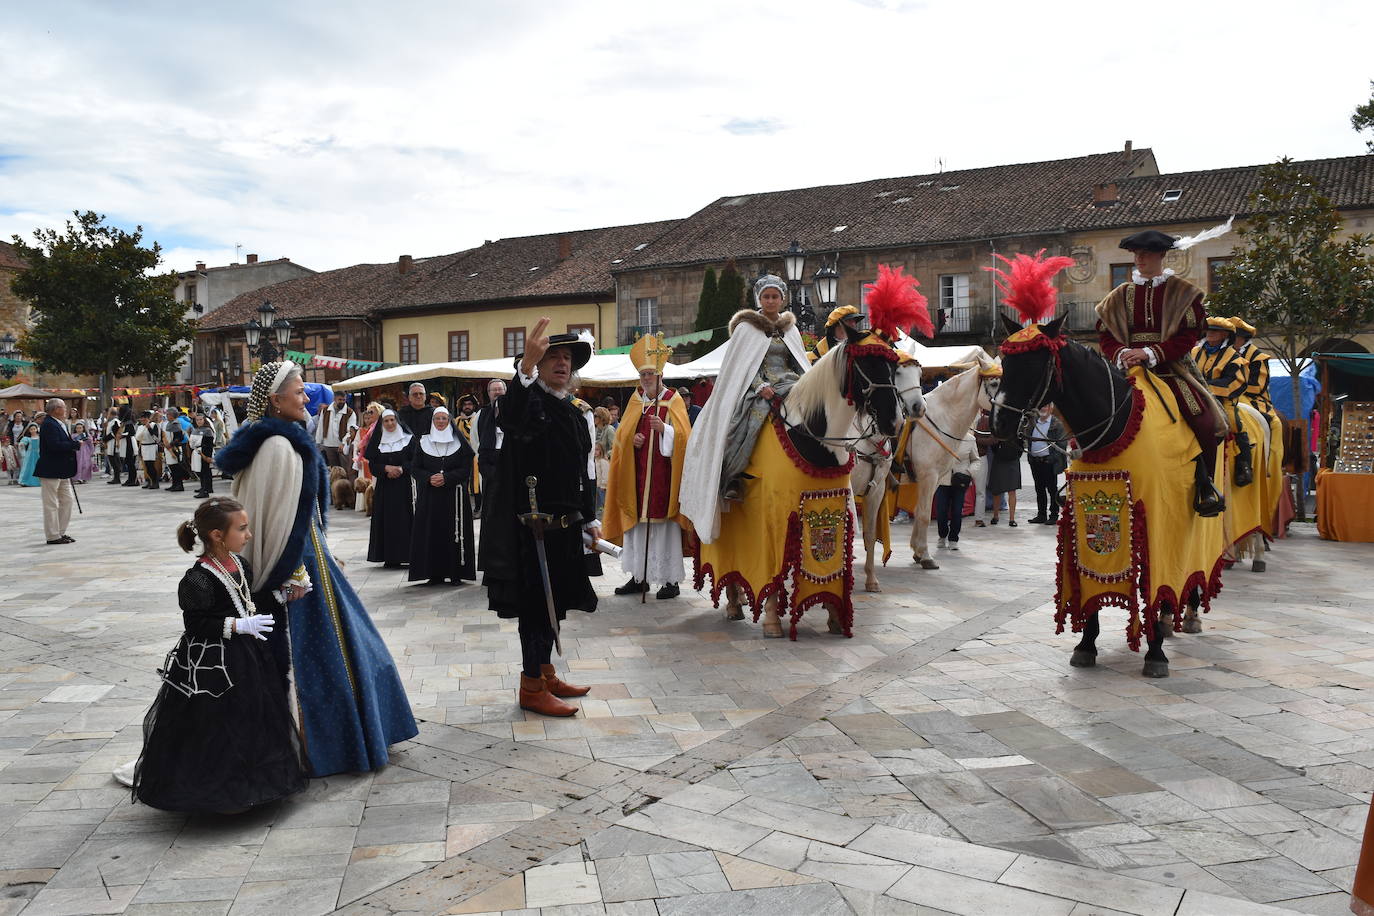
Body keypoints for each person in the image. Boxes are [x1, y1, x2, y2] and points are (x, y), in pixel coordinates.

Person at [215, 360, 417, 776]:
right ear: (275, 400)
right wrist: (286, 570)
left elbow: (291, 515)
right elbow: (273, 520)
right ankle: (322, 744)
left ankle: (352, 734)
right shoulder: (277, 446)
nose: (307, 397)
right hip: (294, 568)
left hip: (310, 560)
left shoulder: (278, 442)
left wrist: (321, 548)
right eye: (300, 390)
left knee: (358, 647)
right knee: (317, 658)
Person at [130, 498, 307, 813]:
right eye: (241, 529)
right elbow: (195, 624)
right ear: (216, 535)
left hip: (250, 656)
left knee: (254, 718)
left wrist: (282, 595)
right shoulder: (197, 579)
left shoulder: (240, 564)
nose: (248, 535)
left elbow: (248, 600)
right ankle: (222, 791)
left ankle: (257, 784)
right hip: (217, 663)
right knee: (219, 725)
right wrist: (238, 625)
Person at [479, 319, 600, 718]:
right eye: (553, 357)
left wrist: (587, 519)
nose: (562, 363)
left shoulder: (570, 410)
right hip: (533, 531)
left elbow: (581, 471)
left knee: (555, 606)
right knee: (535, 609)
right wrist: (525, 369)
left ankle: (546, 673)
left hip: (563, 528)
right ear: (538, 365)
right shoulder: (529, 401)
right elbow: (511, 418)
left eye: (567, 357)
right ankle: (531, 687)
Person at [1096, 229, 1228, 516]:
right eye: (1136, 254)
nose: (1139, 258)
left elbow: (1189, 335)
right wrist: (1121, 353)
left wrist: (1150, 353)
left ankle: (1206, 486)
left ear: (1161, 255)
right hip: (1125, 369)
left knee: (1204, 419)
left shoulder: (1183, 292)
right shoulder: (1119, 295)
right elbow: (1106, 335)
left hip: (1171, 369)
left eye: (1146, 253)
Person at [682, 274, 809, 515]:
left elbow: (797, 363)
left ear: (782, 299)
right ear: (759, 299)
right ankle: (734, 474)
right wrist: (761, 387)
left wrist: (808, 382)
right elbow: (743, 367)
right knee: (752, 419)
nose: (770, 301)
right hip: (759, 388)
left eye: (775, 297)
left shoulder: (790, 331)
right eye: (766, 297)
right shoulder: (747, 329)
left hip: (788, 382)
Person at [604, 361, 691, 600]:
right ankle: (638, 578)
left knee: (664, 527)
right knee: (638, 526)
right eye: (642, 374)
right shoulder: (636, 401)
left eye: (650, 373)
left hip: (664, 476)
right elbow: (622, 436)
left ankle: (670, 580)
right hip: (638, 476)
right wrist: (634, 439)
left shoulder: (674, 400)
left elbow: (684, 436)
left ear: (660, 374)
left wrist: (665, 429)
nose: (646, 378)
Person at [408, 406, 476, 585]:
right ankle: (434, 573)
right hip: (430, 497)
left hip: (454, 497)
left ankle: (456, 573)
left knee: (454, 533)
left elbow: (465, 468)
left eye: (444, 419)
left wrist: (447, 478)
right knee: (432, 533)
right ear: (432, 421)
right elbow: (415, 468)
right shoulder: (423, 442)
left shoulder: (459, 442)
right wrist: (429, 478)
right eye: (437, 418)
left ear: (449, 421)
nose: (440, 422)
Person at [365, 409, 413, 568]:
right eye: (386, 421)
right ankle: (389, 557)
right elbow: (373, 465)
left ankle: (408, 554)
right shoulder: (377, 441)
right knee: (387, 521)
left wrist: (401, 469)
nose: (390, 423)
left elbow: (416, 460)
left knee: (405, 519)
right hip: (385, 488)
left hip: (405, 486)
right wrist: (386, 468)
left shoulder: (409, 439)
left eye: (392, 420)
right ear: (382, 424)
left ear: (397, 421)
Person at [35, 398, 80, 544]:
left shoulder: (58, 423)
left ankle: (60, 532)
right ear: (56, 409)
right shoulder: (48, 424)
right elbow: (54, 445)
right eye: (63, 407)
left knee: (67, 500)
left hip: (62, 469)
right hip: (50, 469)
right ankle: (52, 535)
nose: (66, 409)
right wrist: (74, 444)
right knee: (51, 504)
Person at [935, 432, 980, 550]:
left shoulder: (970, 439)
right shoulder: (942, 436)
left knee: (957, 511)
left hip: (960, 481)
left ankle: (954, 538)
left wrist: (968, 473)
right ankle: (942, 535)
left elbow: (976, 460)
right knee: (941, 510)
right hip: (943, 480)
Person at [1027, 405, 1070, 524]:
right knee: (1039, 489)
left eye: (1046, 406)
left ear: (1050, 408)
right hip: (1035, 461)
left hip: (1049, 462)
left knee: (1052, 489)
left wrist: (1052, 459)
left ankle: (1054, 514)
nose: (1043, 409)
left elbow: (1062, 444)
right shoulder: (1033, 422)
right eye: (1041, 407)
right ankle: (1041, 515)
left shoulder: (1056, 424)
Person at [472, 379, 506, 519]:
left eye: (500, 389)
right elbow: (474, 438)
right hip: (489, 465)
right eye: (494, 390)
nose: (497, 392)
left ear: (505, 391)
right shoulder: (482, 414)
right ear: (489, 393)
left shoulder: (514, 411)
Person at [315, 391, 358, 481]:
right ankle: (335, 490)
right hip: (328, 445)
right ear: (334, 399)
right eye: (340, 400)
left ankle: (345, 488)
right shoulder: (325, 410)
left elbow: (351, 430)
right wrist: (318, 442)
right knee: (334, 472)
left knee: (345, 471)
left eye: (344, 400)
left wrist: (343, 443)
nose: (342, 402)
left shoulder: (350, 412)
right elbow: (321, 426)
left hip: (341, 447)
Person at [987, 436, 1021, 527]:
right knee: (996, 490)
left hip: (1013, 460)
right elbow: (993, 445)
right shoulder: (999, 428)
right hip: (999, 459)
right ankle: (995, 516)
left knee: (1012, 490)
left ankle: (1012, 519)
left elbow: (1020, 444)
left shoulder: (1017, 428)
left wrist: (1015, 455)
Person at [353, 401, 383, 485]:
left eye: (371, 412)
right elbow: (360, 445)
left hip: (378, 461)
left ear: (378, 412)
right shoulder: (371, 428)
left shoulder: (381, 427)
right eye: (368, 412)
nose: (369, 414)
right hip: (366, 461)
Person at [189, 413, 217, 498]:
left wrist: (206, 456)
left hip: (203, 452)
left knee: (204, 471)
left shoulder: (208, 430)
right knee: (199, 471)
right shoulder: (195, 429)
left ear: (204, 420)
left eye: (201, 419)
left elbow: (209, 445)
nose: (199, 421)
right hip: (196, 451)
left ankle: (205, 490)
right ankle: (204, 487)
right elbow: (191, 443)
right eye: (197, 420)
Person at [161, 409, 190, 492]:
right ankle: (174, 484)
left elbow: (179, 437)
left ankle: (179, 485)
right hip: (168, 447)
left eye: (168, 414)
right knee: (172, 467)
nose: (166, 416)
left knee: (176, 467)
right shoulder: (169, 423)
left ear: (172, 415)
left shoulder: (176, 424)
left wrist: (172, 444)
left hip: (174, 448)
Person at [137, 412, 161, 488]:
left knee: (151, 465)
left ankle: (155, 482)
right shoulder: (140, 427)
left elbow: (156, 438)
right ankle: (149, 481)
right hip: (143, 447)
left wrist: (149, 429)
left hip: (151, 447)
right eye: (142, 418)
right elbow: (137, 437)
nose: (143, 420)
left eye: (145, 418)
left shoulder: (153, 425)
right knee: (146, 466)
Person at [121, 407, 143, 487]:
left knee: (130, 462)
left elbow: (131, 433)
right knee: (128, 462)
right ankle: (130, 478)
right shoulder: (126, 422)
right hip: (126, 442)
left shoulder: (129, 423)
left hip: (129, 443)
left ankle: (134, 479)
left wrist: (122, 435)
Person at [104, 407, 125, 485]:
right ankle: (116, 477)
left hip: (113, 443)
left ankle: (117, 478)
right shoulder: (110, 422)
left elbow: (114, 433)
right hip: (109, 443)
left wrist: (105, 439)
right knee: (112, 460)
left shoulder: (115, 421)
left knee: (114, 460)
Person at [17, 422, 40, 487]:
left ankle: (38, 481)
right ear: (29, 431)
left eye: (34, 429)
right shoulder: (27, 438)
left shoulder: (40, 437)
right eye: (31, 429)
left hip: (38, 454)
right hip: (30, 454)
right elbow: (23, 443)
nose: (33, 430)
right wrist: (21, 444)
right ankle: (25, 481)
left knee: (38, 467)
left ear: (37, 429)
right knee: (28, 468)